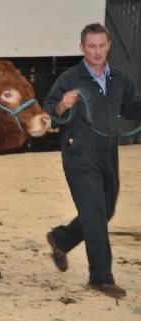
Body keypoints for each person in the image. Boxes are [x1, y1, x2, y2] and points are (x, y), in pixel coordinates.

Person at [44, 22, 141, 299]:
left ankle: (61, 238)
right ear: (82, 48)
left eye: (101, 46)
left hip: (109, 153)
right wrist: (62, 105)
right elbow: (51, 111)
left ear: (108, 45)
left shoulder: (121, 79)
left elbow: (131, 107)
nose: (97, 52)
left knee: (105, 211)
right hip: (79, 153)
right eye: (91, 46)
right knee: (95, 213)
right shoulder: (70, 78)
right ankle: (101, 277)